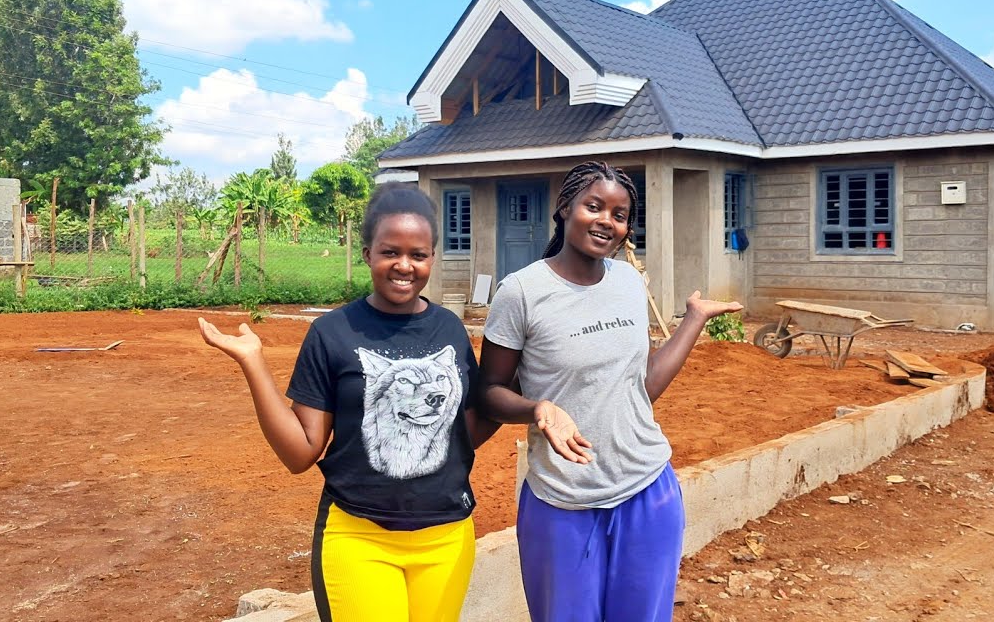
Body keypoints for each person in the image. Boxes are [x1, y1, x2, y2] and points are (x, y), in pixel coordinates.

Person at [198, 183, 495, 622]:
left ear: (432, 257)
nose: (404, 266)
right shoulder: (333, 332)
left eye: (418, 254)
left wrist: (528, 384)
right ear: (367, 254)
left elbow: (463, 431)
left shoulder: (449, 330)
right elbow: (301, 452)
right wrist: (253, 362)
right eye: (390, 251)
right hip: (359, 537)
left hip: (448, 537)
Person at [479, 161, 743, 622]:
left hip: (648, 489)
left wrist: (693, 320)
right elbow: (490, 391)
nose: (607, 221)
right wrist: (538, 407)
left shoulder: (627, 282)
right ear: (565, 208)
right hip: (563, 501)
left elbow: (640, 387)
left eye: (619, 215)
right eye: (594, 206)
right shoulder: (521, 292)